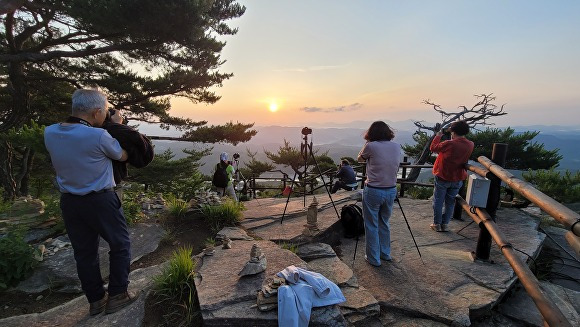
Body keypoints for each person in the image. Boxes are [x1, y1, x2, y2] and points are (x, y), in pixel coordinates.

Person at [44, 88, 139, 316]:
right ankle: (117, 295)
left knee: (85, 253)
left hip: (70, 202)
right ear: (97, 112)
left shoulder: (50, 132)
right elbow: (123, 155)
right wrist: (118, 124)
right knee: (120, 245)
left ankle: (96, 300)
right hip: (100, 200)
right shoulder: (98, 136)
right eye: (104, 112)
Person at [357, 121, 401, 267]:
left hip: (374, 190)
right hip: (391, 190)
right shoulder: (396, 146)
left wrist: (367, 143)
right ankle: (385, 253)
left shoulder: (371, 146)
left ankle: (373, 258)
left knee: (371, 225)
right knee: (384, 223)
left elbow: (360, 159)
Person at [429, 120, 474, 232]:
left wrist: (438, 136)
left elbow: (433, 148)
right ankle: (445, 224)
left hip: (443, 176)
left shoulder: (449, 143)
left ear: (453, 131)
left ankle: (437, 224)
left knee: (438, 201)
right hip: (458, 177)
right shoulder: (470, 144)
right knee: (450, 202)